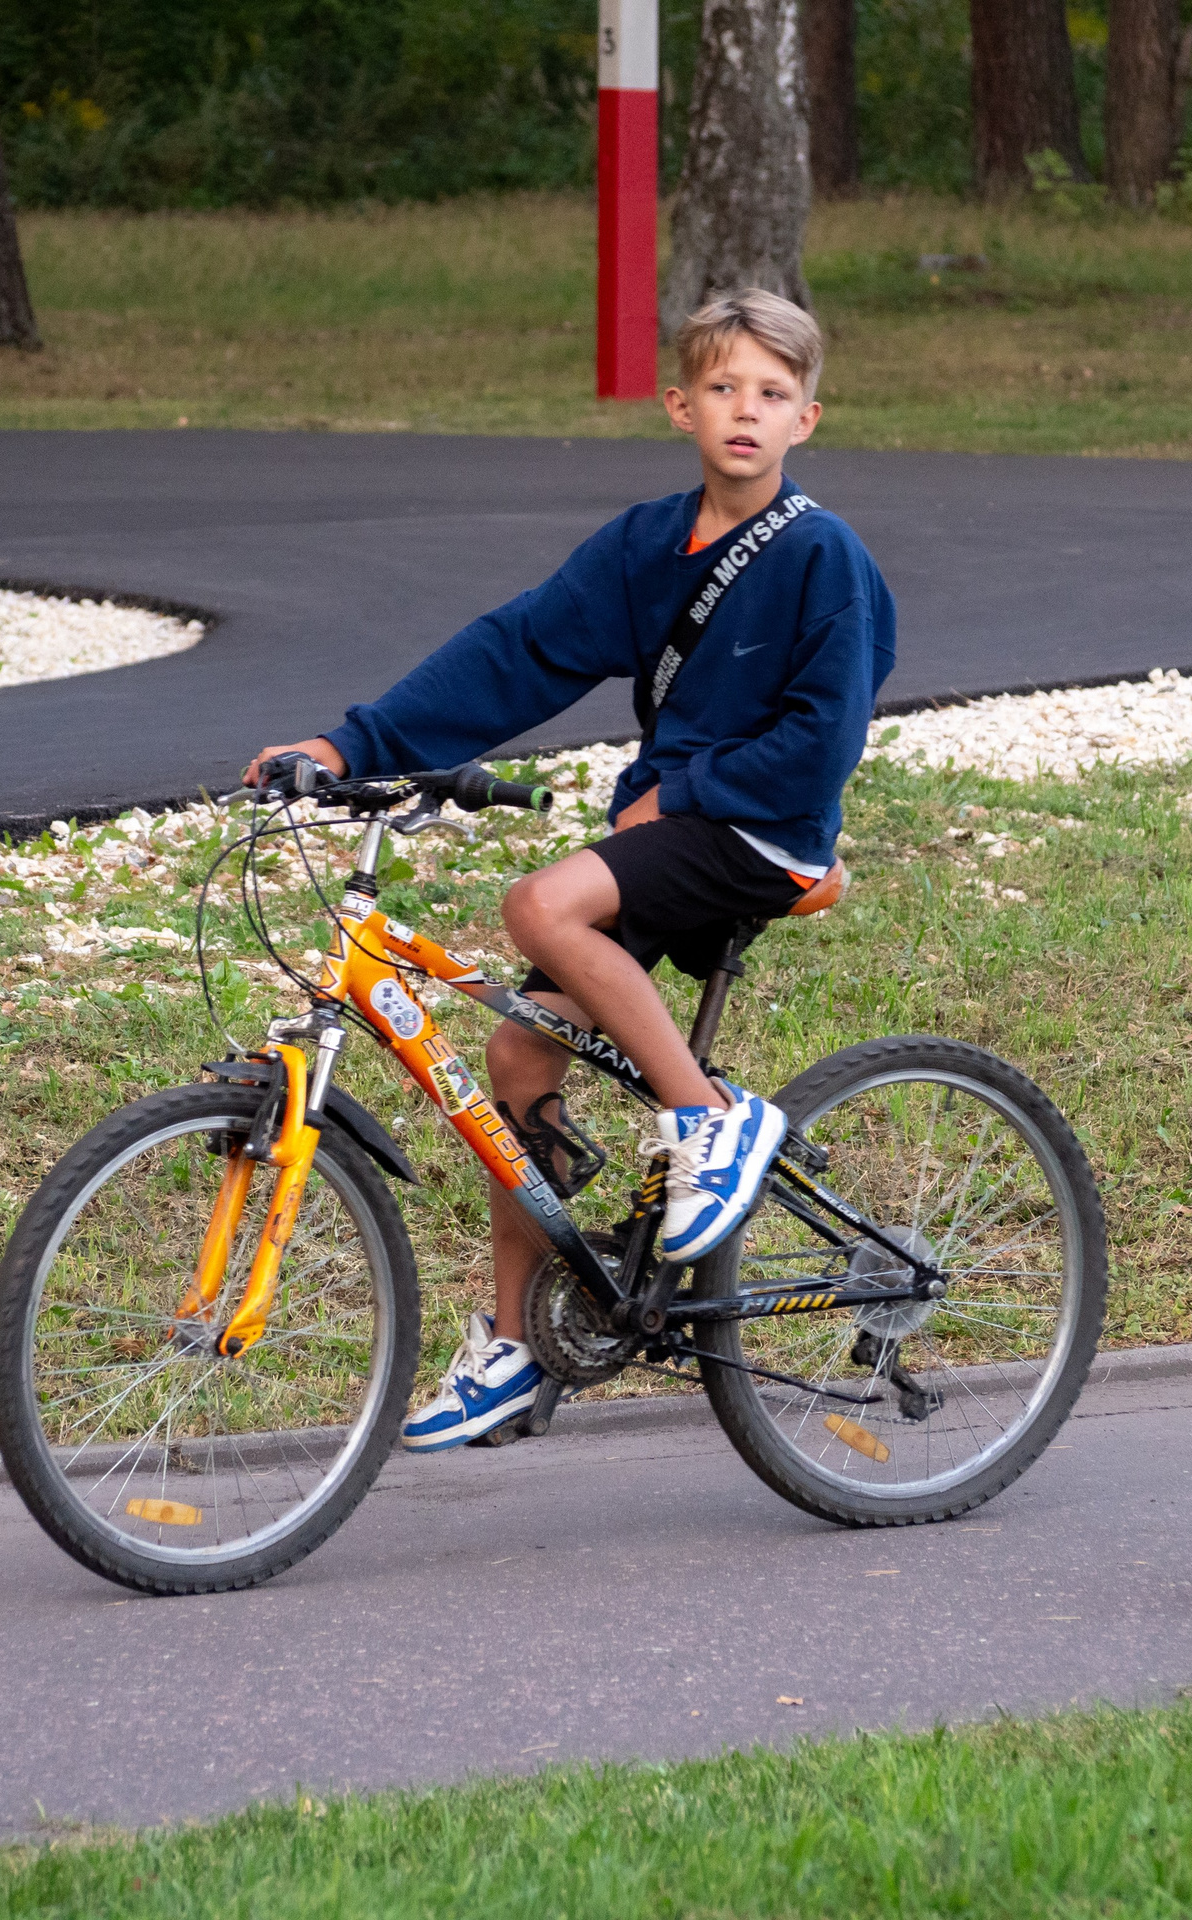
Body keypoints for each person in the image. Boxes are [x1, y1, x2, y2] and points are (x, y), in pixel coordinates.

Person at [245, 289, 896, 1451]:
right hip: (672, 823)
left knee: (541, 903)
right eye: (722, 389)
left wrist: (684, 792)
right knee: (513, 1048)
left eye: (771, 394)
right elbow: (521, 650)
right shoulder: (649, 545)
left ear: (807, 418)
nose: (744, 412)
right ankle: (513, 1343)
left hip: (760, 825)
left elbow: (826, 735)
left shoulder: (824, 558)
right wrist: (352, 747)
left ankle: (708, 1124)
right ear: (678, 404)